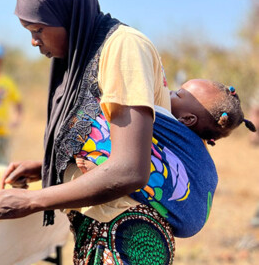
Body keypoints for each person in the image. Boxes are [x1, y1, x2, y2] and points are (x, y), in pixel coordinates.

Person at [0, 0, 179, 265]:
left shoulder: (122, 48)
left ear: (69, 16)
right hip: (102, 225)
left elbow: (130, 170)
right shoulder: (90, 52)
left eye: (39, 29)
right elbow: (110, 144)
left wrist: (34, 201)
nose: (33, 41)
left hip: (126, 234)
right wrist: (47, 166)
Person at [75, 79, 256, 238]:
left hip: (135, 206)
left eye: (177, 94)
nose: (169, 93)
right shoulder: (174, 137)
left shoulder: (167, 124)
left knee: (141, 161)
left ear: (187, 119)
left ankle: (105, 168)